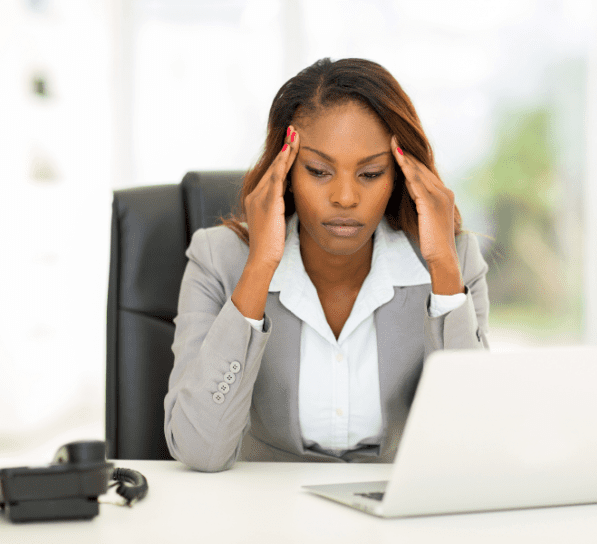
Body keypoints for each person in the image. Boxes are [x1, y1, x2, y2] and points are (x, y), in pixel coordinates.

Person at [164, 57, 490, 472]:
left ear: (400, 177)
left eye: (370, 174)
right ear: (285, 172)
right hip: (264, 516)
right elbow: (198, 450)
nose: (345, 198)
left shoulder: (454, 261)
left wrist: (443, 270)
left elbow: (474, 443)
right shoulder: (219, 258)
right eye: (319, 171)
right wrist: (259, 269)